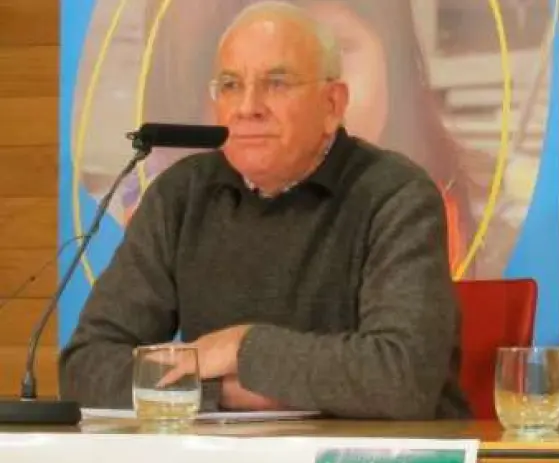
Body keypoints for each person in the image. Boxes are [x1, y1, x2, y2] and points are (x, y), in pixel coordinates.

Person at [58, 0, 469, 420]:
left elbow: (401, 378)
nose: (248, 107)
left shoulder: (397, 196)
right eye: (230, 85)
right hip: (224, 456)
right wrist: (221, 392)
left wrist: (242, 347)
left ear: (332, 104)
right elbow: (85, 367)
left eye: (276, 83)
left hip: (371, 460)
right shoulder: (180, 196)